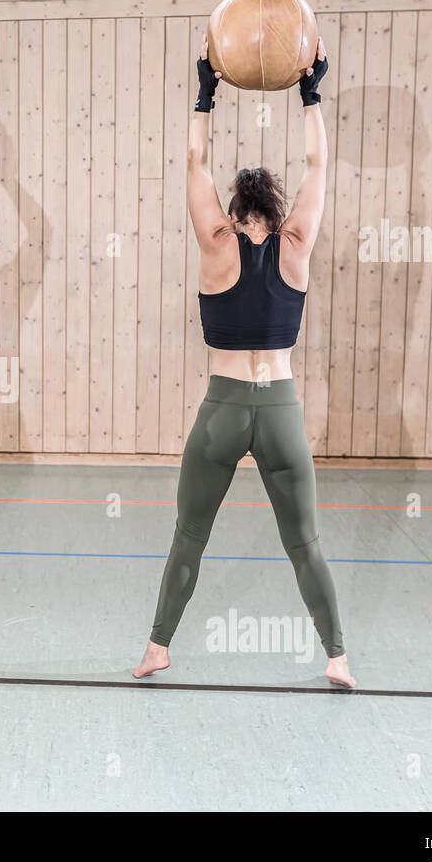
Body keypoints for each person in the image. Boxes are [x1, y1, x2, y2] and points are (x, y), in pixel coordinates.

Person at [134, 38, 356, 689]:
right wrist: (309, 89)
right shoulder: (297, 244)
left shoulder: (215, 244)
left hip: (223, 411)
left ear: (233, 215)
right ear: (279, 215)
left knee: (188, 537)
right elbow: (321, 163)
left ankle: (157, 648)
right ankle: (337, 656)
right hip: (281, 410)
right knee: (305, 545)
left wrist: (207, 88)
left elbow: (193, 160)